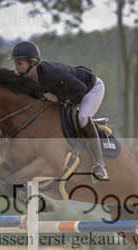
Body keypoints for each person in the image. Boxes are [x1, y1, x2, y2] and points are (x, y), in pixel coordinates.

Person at [8, 41, 108, 182]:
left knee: (83, 117)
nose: (16, 68)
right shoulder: (28, 77)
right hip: (72, 92)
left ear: (33, 62)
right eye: (15, 64)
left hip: (91, 88)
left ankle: (99, 164)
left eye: (19, 64)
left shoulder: (51, 73)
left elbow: (81, 88)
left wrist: (57, 97)